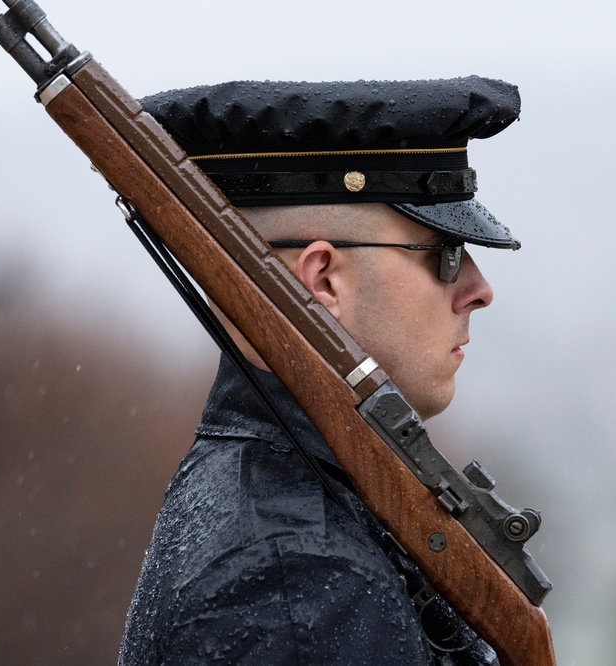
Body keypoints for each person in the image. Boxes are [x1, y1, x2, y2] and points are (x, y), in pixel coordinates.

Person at [119, 76, 522, 665]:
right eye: (446, 254)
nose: (478, 290)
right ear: (323, 280)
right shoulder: (299, 579)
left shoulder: (298, 501)